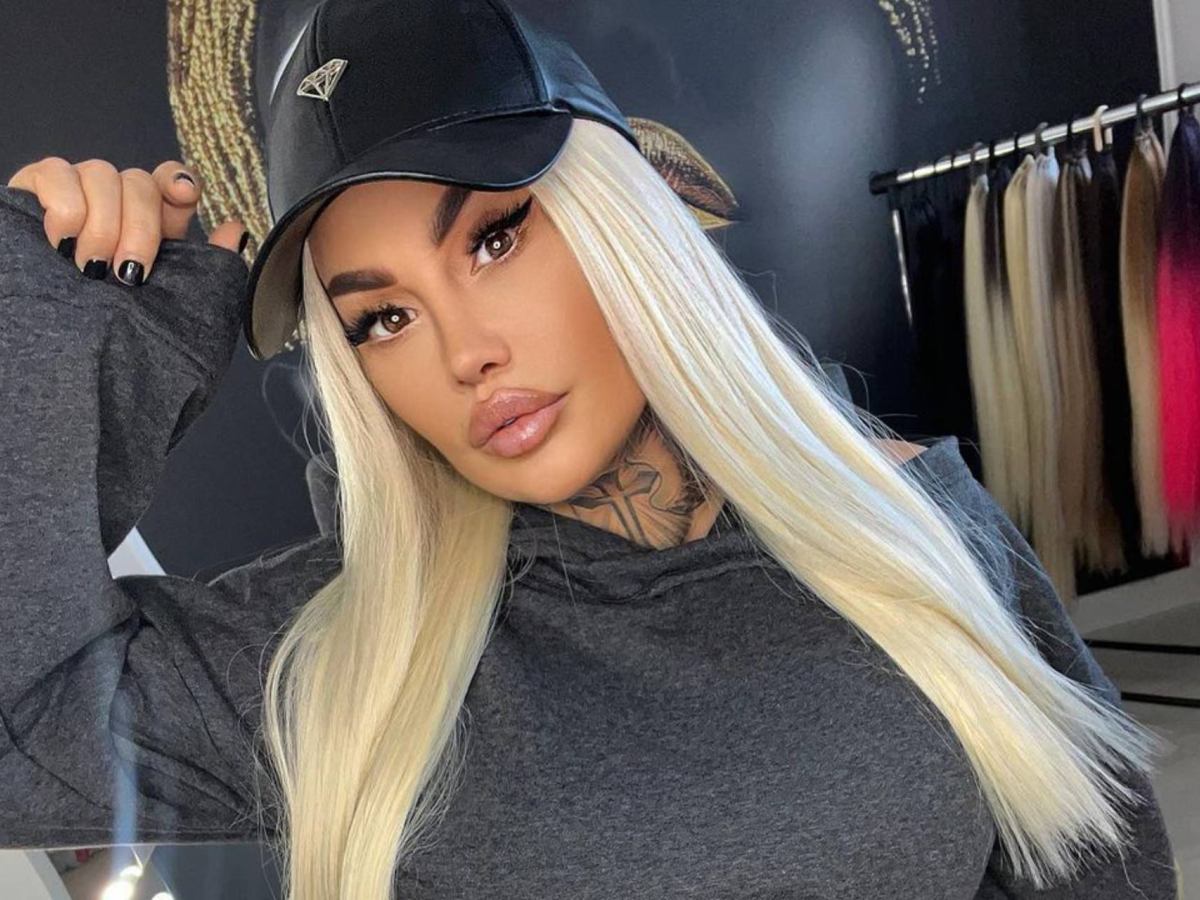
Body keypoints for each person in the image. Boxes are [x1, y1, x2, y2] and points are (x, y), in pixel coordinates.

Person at [0, 0, 1180, 898]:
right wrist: (72, 329)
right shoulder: (344, 656)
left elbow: (1098, 862)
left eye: (494, 239)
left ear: (624, 217)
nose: (464, 352)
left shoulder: (914, 523)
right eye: (384, 318)